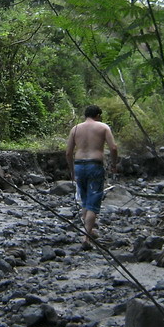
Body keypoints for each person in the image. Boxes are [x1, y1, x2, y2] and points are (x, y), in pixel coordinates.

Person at [66, 105, 119, 247]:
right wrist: (114, 165)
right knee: (93, 202)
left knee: (85, 200)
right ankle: (86, 237)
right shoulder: (103, 127)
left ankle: (89, 230)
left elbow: (68, 153)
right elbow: (113, 147)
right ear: (98, 115)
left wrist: (72, 171)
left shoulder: (75, 129)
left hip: (79, 166)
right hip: (94, 166)